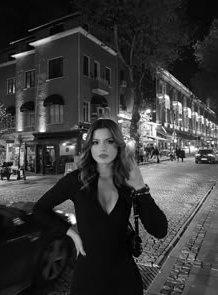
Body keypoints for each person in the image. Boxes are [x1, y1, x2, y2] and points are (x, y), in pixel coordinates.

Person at [32, 118, 168, 295]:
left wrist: (140, 187)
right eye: (96, 142)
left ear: (119, 145)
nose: (102, 148)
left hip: (125, 279)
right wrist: (71, 232)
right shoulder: (76, 180)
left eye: (109, 141)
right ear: (90, 146)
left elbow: (159, 230)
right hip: (87, 279)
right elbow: (39, 209)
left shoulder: (127, 183)